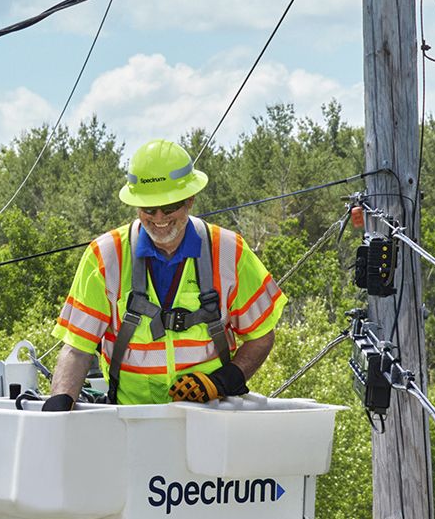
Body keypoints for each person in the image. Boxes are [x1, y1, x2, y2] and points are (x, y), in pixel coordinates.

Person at [45, 139, 283, 409]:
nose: (159, 218)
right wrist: (58, 409)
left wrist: (223, 381)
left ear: (190, 200)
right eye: (149, 208)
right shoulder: (105, 256)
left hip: (210, 417)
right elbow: (76, 350)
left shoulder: (229, 252)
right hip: (131, 418)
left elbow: (261, 335)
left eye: (169, 208)